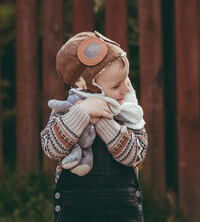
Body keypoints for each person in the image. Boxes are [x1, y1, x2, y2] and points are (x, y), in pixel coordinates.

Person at [40, 31, 148, 222]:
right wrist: (81, 114)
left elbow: (134, 155)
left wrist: (102, 119)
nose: (125, 89)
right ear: (87, 87)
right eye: (116, 86)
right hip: (76, 211)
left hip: (121, 211)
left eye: (126, 80)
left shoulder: (129, 113)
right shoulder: (66, 111)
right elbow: (52, 149)